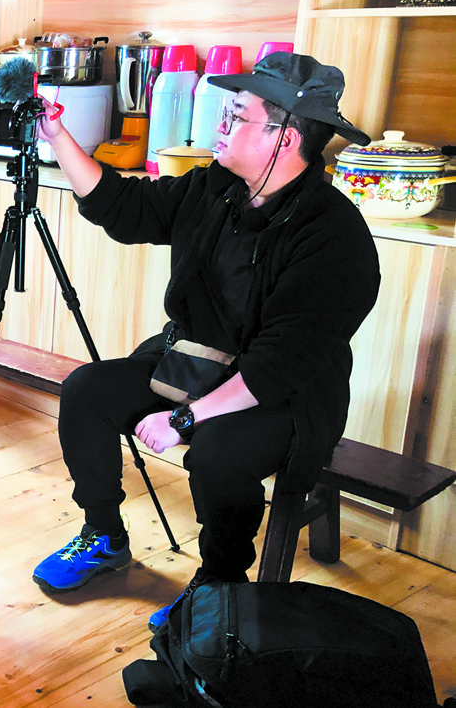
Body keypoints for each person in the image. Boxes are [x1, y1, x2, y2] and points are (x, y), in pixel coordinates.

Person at [28, 52, 381, 632]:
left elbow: (275, 368)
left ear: (285, 137)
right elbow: (127, 207)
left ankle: (220, 582)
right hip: (198, 364)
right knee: (88, 390)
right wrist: (58, 136)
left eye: (237, 115)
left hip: (287, 396)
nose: (220, 123)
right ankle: (104, 535)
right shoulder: (218, 189)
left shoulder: (334, 236)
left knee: (217, 453)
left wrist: (185, 420)